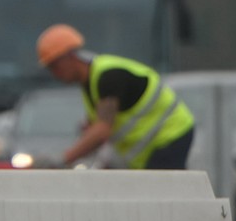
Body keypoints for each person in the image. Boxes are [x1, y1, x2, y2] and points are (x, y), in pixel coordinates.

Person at [35, 23, 195, 169]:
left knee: (160, 192)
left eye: (54, 66)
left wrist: (62, 159)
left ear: (70, 56)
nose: (54, 74)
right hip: (152, 146)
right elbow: (101, 127)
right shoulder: (90, 83)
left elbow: (102, 130)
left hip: (170, 133)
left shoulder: (108, 76)